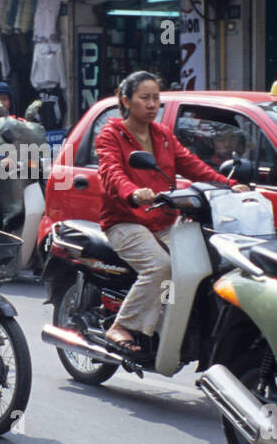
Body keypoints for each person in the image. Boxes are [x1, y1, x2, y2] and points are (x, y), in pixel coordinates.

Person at [95, 70, 238, 356]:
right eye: (144, 98)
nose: (151, 104)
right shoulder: (111, 135)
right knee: (161, 266)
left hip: (161, 220)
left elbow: (193, 166)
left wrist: (230, 185)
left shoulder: (162, 135)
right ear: (126, 99)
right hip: (125, 220)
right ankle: (122, 326)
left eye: (156, 98)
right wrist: (132, 192)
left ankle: (173, 324)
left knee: (204, 263)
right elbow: (111, 171)